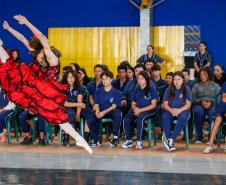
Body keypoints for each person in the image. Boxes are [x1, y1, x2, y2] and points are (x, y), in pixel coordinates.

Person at [2, 15, 92, 153]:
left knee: (58, 117)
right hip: (33, 86)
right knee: (11, 67)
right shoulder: (36, 54)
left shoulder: (52, 58)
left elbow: (41, 37)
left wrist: (26, 22)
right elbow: (22, 39)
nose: (31, 49)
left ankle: (79, 138)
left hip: (47, 90)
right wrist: (9, 28)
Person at [122, 71, 158, 149]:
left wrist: (140, 110)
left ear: (146, 80)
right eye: (138, 79)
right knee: (126, 118)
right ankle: (129, 140)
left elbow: (153, 105)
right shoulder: (136, 89)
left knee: (140, 119)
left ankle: (139, 141)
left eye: (142, 79)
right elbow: (133, 104)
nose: (140, 80)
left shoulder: (152, 89)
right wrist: (136, 109)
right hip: (137, 109)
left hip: (149, 110)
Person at [162, 71, 192, 152]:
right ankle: (169, 142)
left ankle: (170, 140)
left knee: (183, 118)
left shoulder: (186, 89)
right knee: (165, 117)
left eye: (179, 79)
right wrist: (171, 110)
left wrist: (179, 110)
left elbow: (188, 104)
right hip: (170, 109)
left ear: (183, 80)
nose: (176, 81)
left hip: (183, 109)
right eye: (174, 79)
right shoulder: (168, 89)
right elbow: (165, 104)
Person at [93, 71, 122, 147]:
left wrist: (103, 112)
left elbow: (114, 106)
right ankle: (96, 139)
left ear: (111, 80)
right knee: (93, 115)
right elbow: (96, 104)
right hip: (101, 111)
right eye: (103, 79)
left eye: (107, 79)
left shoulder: (117, 92)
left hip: (111, 111)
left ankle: (115, 137)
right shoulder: (98, 91)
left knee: (117, 113)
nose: (105, 81)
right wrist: (97, 111)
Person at [192, 67, 221, 144]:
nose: (202, 76)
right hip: (199, 104)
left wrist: (211, 102)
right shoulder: (196, 86)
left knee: (213, 112)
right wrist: (201, 101)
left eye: (204, 74)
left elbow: (220, 98)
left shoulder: (215, 85)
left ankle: (212, 137)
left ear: (209, 75)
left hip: (213, 105)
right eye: (200, 75)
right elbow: (192, 98)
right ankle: (199, 136)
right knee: (198, 111)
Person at [203, 82, 226, 153]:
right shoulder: (225, 84)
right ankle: (210, 145)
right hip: (223, 108)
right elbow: (224, 98)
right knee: (218, 119)